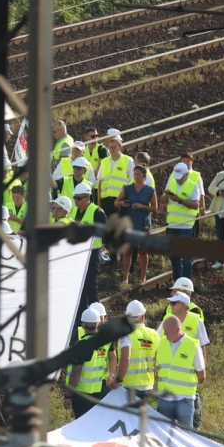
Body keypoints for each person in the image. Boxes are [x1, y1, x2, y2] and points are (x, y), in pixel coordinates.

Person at [154, 314, 204, 428]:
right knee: (163, 432)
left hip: (184, 399)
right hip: (165, 398)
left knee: (186, 435)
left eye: (167, 331)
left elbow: (201, 375)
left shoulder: (193, 345)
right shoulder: (162, 343)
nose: (165, 334)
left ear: (178, 329)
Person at [114, 165, 157, 285]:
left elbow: (155, 208)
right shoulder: (127, 188)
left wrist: (141, 206)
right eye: (135, 174)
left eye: (138, 174)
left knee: (143, 251)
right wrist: (123, 203)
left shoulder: (150, 191)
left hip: (143, 223)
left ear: (144, 176)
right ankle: (125, 277)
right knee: (128, 250)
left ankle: (143, 277)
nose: (136, 176)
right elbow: (116, 202)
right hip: (130, 223)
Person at [65, 308, 108, 417]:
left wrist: (68, 395)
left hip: (81, 393)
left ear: (83, 325)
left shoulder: (81, 345)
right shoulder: (104, 343)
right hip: (98, 392)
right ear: (98, 324)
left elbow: (76, 373)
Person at [163, 162, 200, 282]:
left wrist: (180, 200)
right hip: (172, 224)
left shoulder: (193, 185)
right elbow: (163, 200)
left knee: (186, 257)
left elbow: (195, 205)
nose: (178, 180)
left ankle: (185, 282)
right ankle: (177, 281)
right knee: (174, 256)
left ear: (186, 175)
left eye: (180, 178)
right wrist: (165, 195)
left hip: (186, 226)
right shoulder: (172, 182)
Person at [111, 300, 159, 395]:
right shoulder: (154, 334)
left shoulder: (126, 335)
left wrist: (118, 379)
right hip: (147, 385)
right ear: (143, 316)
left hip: (129, 386)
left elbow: (126, 359)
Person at [72, 182, 106, 313]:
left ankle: (96, 314)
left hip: (92, 253)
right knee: (80, 287)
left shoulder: (97, 212)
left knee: (91, 286)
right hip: (79, 253)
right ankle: (81, 315)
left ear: (87, 198)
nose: (76, 201)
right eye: (75, 198)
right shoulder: (75, 210)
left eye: (79, 198)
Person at [96, 134, 133, 217]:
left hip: (121, 200)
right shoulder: (104, 161)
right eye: (110, 147)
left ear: (120, 148)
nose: (111, 150)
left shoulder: (128, 161)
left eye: (114, 147)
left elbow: (133, 182)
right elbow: (100, 183)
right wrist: (99, 204)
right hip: (106, 201)